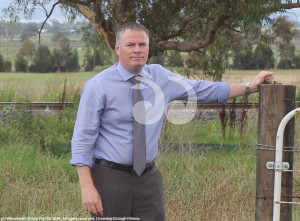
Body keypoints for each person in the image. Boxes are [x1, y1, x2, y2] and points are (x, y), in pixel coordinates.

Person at [70, 22, 274, 220]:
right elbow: (82, 140)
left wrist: (250, 86)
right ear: (117, 48)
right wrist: (87, 187)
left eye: (143, 45)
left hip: (148, 178)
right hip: (109, 178)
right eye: (130, 45)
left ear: (148, 48)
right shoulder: (98, 86)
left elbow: (203, 89)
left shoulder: (160, 77)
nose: (137, 50)